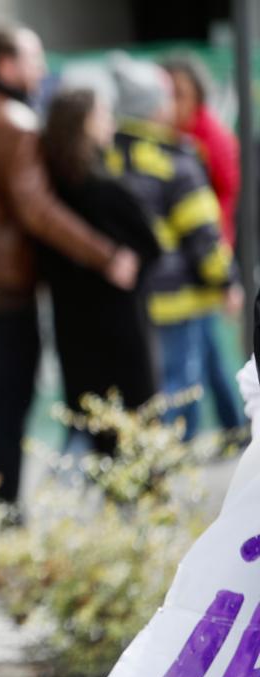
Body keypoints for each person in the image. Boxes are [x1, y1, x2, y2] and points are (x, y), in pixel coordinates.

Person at [0, 26, 139, 507]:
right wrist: (107, 255)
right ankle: (7, 511)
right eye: (34, 59)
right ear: (5, 64)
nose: (42, 70)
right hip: (7, 294)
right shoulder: (17, 123)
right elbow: (38, 211)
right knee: (9, 407)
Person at [108, 55, 236, 439]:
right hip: (180, 295)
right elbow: (202, 234)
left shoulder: (107, 154)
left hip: (130, 297)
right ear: (153, 107)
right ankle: (173, 471)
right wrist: (226, 281)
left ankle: (151, 467)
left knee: (146, 388)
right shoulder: (174, 159)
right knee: (181, 387)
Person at [39, 87, 161, 453]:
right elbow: (151, 247)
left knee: (96, 429)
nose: (111, 121)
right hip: (119, 327)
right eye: (103, 114)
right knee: (135, 424)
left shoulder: (47, 193)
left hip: (73, 324)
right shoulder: (106, 189)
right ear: (84, 124)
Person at [164, 54, 246, 435]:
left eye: (178, 93)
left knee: (197, 356)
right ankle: (235, 423)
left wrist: (223, 271)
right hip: (190, 263)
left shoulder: (210, 139)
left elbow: (223, 206)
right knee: (207, 348)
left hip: (206, 257)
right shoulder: (170, 139)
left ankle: (225, 426)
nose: (171, 102)